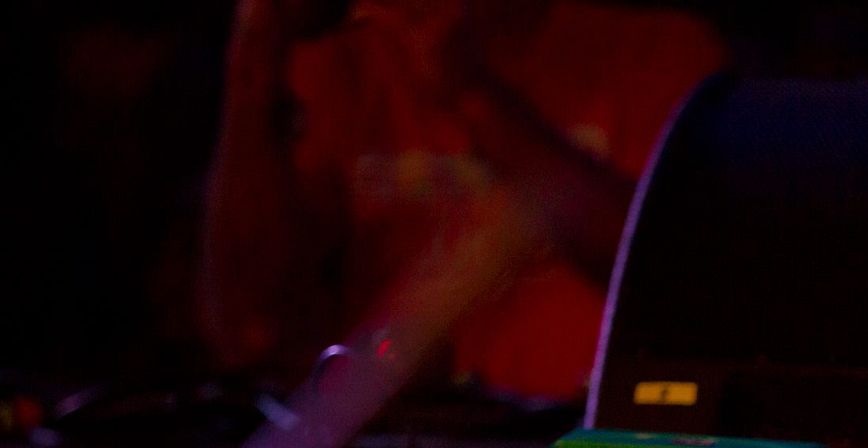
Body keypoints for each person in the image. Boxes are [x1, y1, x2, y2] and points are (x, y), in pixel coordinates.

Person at [200, 0, 727, 401]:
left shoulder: (661, 54)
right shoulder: (337, 64)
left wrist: (471, 94)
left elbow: (681, 283)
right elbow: (249, 331)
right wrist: (255, 50)